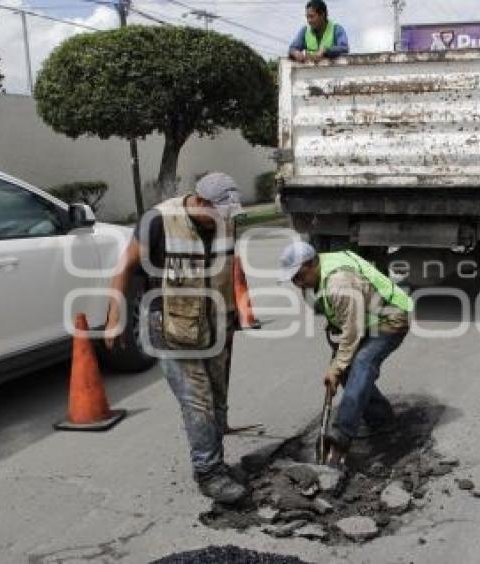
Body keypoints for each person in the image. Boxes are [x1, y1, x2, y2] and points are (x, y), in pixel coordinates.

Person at [104, 173, 248, 504]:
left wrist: (237, 312)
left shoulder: (225, 220)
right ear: (199, 201)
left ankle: (218, 463)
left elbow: (232, 266)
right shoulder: (158, 220)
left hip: (216, 324)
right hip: (170, 326)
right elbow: (123, 268)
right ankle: (208, 473)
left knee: (218, 397)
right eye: (218, 213)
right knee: (197, 401)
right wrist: (114, 318)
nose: (223, 221)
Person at [279, 242, 412, 466]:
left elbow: (352, 332)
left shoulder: (339, 282)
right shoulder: (320, 270)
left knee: (361, 362)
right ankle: (381, 420)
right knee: (346, 366)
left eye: (299, 276)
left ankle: (341, 437)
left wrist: (337, 366)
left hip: (391, 318)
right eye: (292, 279)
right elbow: (344, 318)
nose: (296, 283)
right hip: (368, 318)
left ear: (311, 264)